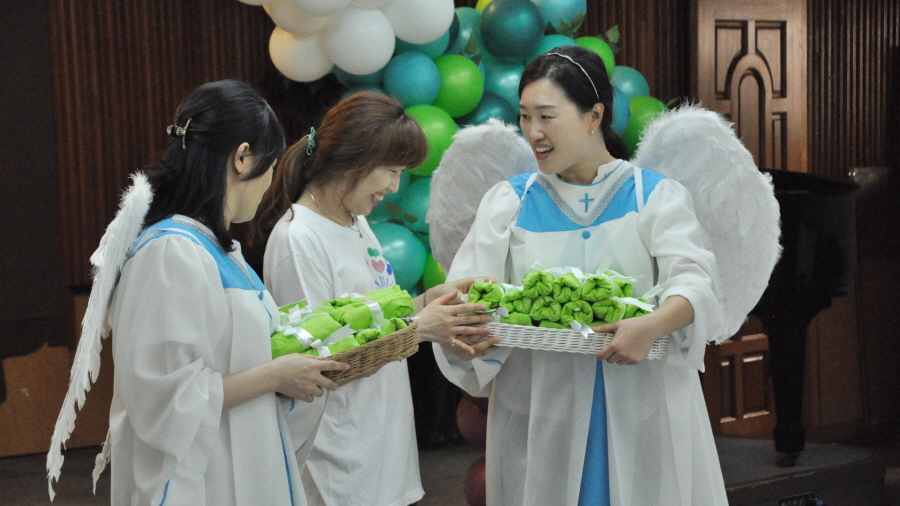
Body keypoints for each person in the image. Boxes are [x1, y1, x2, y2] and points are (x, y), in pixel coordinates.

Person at [432, 46, 730, 505]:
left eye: (547, 117)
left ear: (594, 116)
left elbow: (696, 280)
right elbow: (471, 292)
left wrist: (652, 325)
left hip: (641, 408)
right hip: (541, 411)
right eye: (525, 116)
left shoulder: (653, 196)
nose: (533, 132)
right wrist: (466, 328)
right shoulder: (508, 203)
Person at [106, 80, 348, 505]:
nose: (269, 181)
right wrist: (275, 375)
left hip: (245, 456)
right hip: (204, 480)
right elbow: (162, 398)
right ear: (242, 158)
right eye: (270, 165)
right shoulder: (171, 251)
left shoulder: (220, 250)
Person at [253, 92, 495, 506]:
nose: (395, 186)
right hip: (337, 460)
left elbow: (369, 319)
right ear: (354, 158)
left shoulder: (354, 220)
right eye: (391, 170)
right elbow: (318, 362)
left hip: (380, 445)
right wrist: (418, 330)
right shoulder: (298, 239)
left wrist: (428, 300)